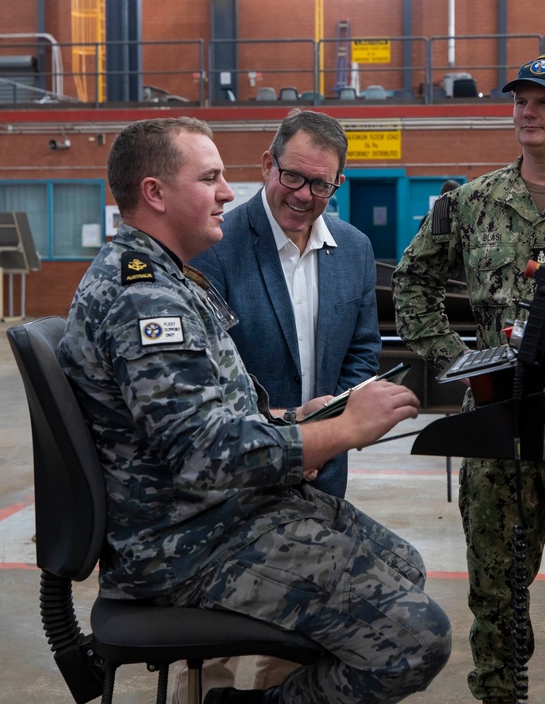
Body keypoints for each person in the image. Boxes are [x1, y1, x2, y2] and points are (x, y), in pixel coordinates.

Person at [57, 116, 451, 704]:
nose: (225, 192)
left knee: (404, 567)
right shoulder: (145, 298)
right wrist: (342, 429)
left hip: (220, 517)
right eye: (210, 177)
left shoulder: (173, 281)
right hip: (184, 545)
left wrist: (298, 418)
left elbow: (217, 416)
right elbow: (204, 454)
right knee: (419, 636)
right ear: (155, 193)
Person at [391, 55, 545, 704]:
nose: (529, 111)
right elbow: (412, 282)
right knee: (495, 603)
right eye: (521, 100)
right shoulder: (469, 202)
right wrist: (456, 360)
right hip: (498, 443)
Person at [181, 109, 380, 697]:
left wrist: (332, 428)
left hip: (322, 470)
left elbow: (361, 352)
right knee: (212, 640)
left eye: (322, 184)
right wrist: (281, 438)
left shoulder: (354, 248)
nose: (304, 195)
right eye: (293, 176)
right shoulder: (213, 247)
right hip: (234, 475)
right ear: (267, 164)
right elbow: (206, 380)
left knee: (299, 628)